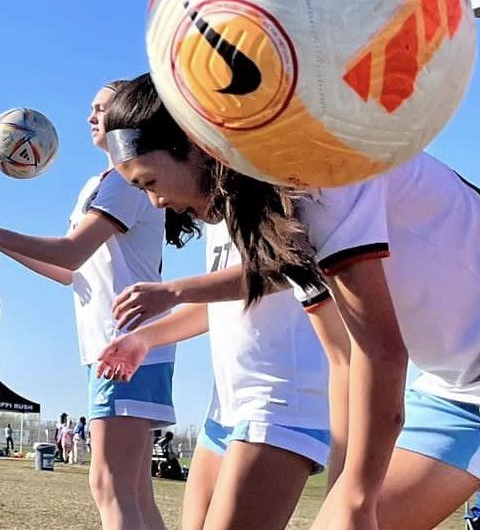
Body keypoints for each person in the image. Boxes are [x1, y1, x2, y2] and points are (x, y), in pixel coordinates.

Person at [100, 71, 480, 530]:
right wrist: (344, 486)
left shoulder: (321, 175)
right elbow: (342, 356)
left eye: (150, 181)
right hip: (455, 389)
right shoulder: (271, 212)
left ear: (196, 146)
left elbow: (381, 351)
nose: (156, 201)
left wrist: (358, 494)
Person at [0, 81, 194, 530]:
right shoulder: (105, 184)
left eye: (101, 108)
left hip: (126, 348)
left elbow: (69, 252)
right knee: (133, 491)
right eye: (90, 108)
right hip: (127, 347)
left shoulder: (124, 182)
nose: (90, 116)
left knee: (109, 486)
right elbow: (70, 272)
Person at [96, 191, 347, 529]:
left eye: (152, 181)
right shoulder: (218, 215)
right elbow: (218, 302)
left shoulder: (268, 187)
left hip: (281, 402)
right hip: (225, 408)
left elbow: (287, 266)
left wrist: (174, 290)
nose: (156, 200)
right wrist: (145, 338)